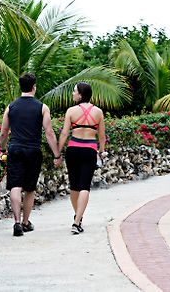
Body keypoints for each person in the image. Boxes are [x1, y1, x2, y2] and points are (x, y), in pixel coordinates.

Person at [0, 73, 60, 237]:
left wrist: (2, 149)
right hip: (33, 150)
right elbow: (49, 133)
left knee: (15, 186)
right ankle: (26, 222)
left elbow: (4, 132)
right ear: (34, 87)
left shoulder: (10, 107)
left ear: (21, 87)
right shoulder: (42, 107)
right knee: (29, 188)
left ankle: (17, 222)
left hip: (15, 149)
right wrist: (56, 154)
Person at [55, 82, 105, 234]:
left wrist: (57, 152)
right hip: (89, 150)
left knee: (74, 186)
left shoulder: (71, 111)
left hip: (73, 149)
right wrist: (101, 151)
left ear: (81, 94)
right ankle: (77, 221)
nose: (73, 94)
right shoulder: (98, 112)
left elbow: (64, 134)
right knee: (85, 186)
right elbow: (101, 136)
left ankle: (78, 217)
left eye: (74, 91)